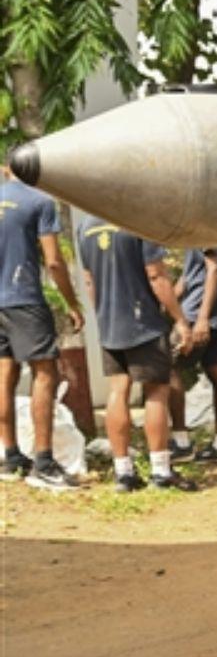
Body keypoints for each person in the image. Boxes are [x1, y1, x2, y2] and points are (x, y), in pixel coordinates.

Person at [77, 215, 197, 493]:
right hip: (143, 322)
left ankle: (124, 473)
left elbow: (89, 280)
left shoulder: (85, 225)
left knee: (117, 391)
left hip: (109, 323)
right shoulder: (138, 219)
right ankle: (161, 470)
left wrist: (104, 314)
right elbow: (156, 276)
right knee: (157, 392)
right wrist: (180, 320)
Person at [0, 161, 85, 490]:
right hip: (23, 298)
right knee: (46, 373)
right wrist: (71, 302)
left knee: (4, 374)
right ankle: (44, 462)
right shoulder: (39, 201)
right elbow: (53, 260)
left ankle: (10, 456)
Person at [169, 248, 217, 462]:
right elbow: (188, 277)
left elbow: (214, 269)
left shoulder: (203, 226)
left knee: (170, 368)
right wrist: (167, 301)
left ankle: (181, 442)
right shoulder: (210, 227)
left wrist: (202, 318)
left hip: (197, 313)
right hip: (216, 316)